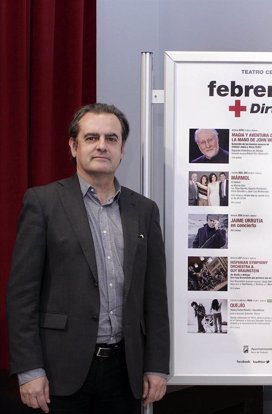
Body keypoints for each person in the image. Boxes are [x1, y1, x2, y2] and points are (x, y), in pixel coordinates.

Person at [6, 103, 169, 413]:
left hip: (126, 372)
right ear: (73, 146)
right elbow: (22, 295)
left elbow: (155, 297)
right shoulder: (43, 203)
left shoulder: (144, 211)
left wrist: (157, 366)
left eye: (111, 138)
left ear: (122, 149)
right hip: (58, 372)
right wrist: (30, 369)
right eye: (92, 137)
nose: (102, 146)